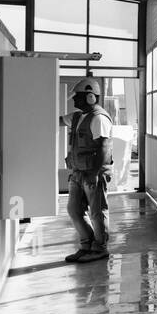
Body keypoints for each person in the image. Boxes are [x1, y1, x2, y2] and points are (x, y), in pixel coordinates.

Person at [58, 77, 113, 263]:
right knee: (74, 210)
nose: (74, 100)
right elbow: (57, 121)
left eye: (77, 97)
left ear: (90, 97)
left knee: (97, 212)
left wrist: (93, 174)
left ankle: (100, 248)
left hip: (93, 173)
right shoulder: (77, 116)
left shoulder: (99, 118)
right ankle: (86, 245)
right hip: (78, 172)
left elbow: (103, 147)